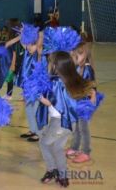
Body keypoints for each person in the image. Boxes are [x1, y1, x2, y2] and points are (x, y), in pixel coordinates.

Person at [37, 51, 95, 187]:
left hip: (60, 122)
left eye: (51, 62)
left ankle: (52, 170)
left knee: (44, 143)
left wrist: (37, 96)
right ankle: (63, 177)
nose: (49, 64)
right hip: (72, 122)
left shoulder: (56, 81)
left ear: (56, 66)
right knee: (57, 147)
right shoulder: (73, 78)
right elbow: (90, 92)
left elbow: (49, 102)